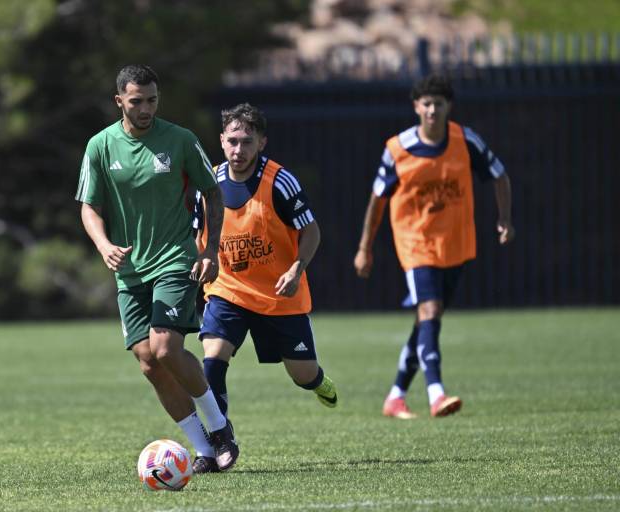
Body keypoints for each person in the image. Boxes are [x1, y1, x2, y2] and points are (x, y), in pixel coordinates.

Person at [75, 64, 238, 473]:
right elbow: (89, 207)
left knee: (167, 347)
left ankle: (219, 427)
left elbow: (212, 193)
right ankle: (203, 450)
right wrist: (103, 244)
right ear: (119, 102)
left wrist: (210, 250)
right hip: (130, 271)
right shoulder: (100, 146)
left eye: (152, 100)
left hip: (174, 259)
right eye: (136, 101)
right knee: (149, 361)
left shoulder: (180, 140)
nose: (145, 108)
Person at [353, 73, 514, 419]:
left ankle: (395, 395)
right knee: (429, 312)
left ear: (448, 107)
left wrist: (505, 219)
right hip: (415, 244)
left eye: (438, 104)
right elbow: (377, 201)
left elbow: (499, 175)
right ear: (416, 107)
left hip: (455, 245)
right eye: (426, 104)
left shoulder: (464, 140)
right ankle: (436, 393)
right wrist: (365, 247)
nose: (432, 110)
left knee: (429, 318)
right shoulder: (398, 149)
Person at [192, 103, 337, 472]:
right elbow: (199, 235)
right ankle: (217, 440)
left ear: (261, 143)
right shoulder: (208, 183)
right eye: (232, 142)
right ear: (221, 141)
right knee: (213, 357)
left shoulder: (281, 182)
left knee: (302, 374)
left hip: (278, 295)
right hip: (229, 290)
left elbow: (312, 231)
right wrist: (203, 261)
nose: (238, 150)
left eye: (246, 142)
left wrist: (296, 268)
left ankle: (319, 381)